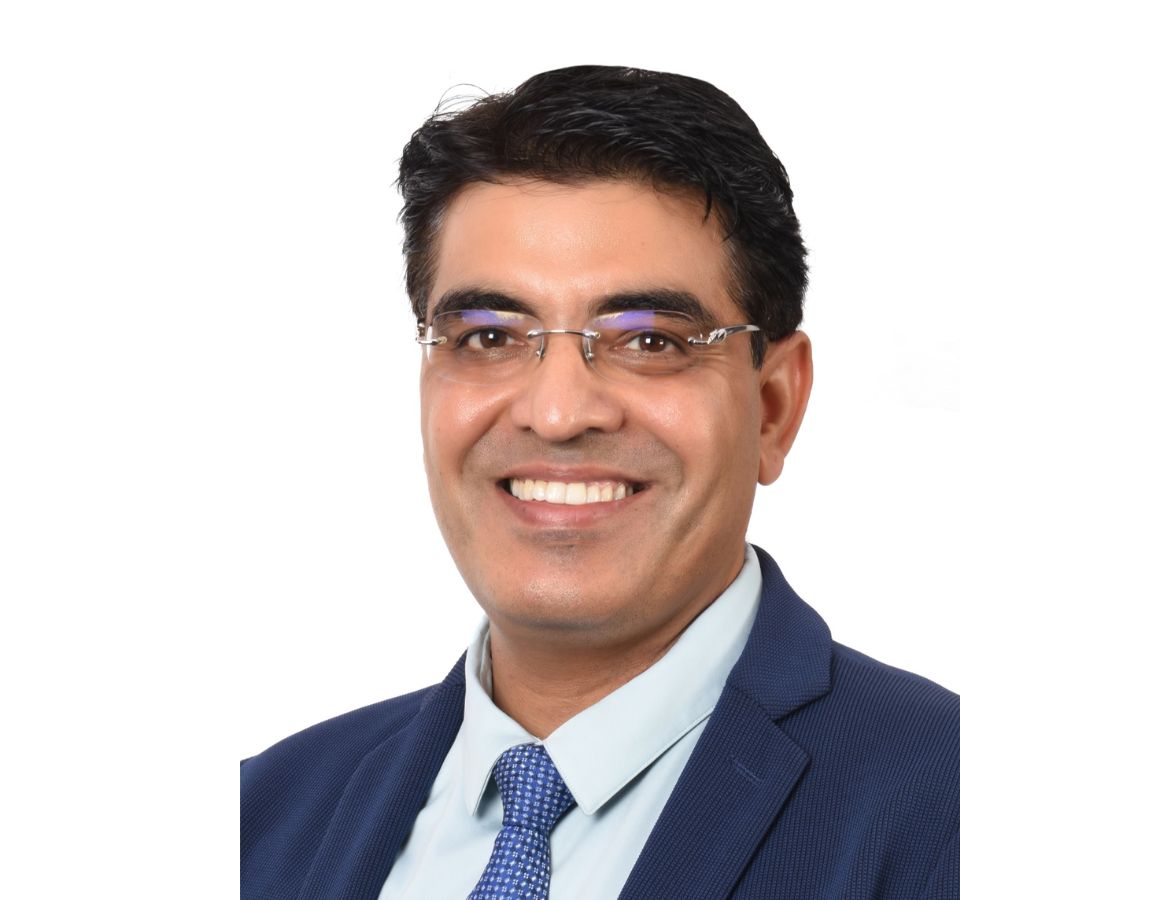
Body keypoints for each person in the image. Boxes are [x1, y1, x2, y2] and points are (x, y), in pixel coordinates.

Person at [240, 65, 959, 900]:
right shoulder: (257, 819)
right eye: (487, 337)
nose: (556, 414)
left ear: (773, 406)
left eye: (650, 340)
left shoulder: (959, 810)